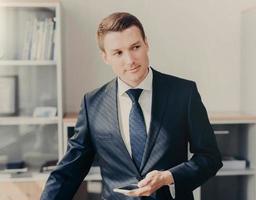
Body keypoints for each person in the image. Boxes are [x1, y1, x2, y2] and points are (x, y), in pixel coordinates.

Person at [40, 12, 222, 200]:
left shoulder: (184, 93)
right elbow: (70, 170)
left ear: (146, 44)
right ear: (105, 57)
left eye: (135, 47)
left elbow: (210, 157)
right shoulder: (92, 103)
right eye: (118, 53)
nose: (130, 60)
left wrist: (169, 177)